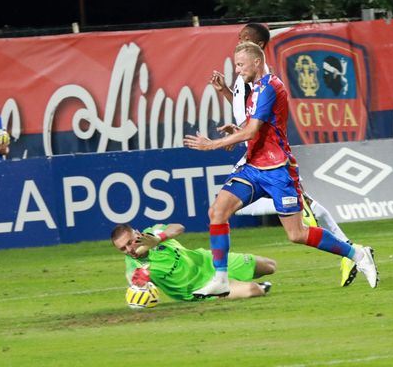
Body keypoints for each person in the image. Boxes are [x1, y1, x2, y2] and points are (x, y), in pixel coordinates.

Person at [184, 42, 378, 298]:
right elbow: (252, 125)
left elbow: (253, 131)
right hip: (253, 167)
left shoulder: (270, 87)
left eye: (241, 65)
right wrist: (231, 111)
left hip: (278, 170)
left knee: (296, 234)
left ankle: (356, 253)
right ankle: (221, 279)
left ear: (256, 62)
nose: (238, 70)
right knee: (217, 211)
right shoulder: (255, 89)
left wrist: (212, 145)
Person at [111, 222, 276, 301]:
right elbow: (135, 284)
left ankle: (235, 281)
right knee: (252, 290)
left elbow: (178, 227)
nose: (129, 250)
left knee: (270, 266)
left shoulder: (152, 233)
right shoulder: (134, 266)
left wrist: (158, 239)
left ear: (137, 234)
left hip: (207, 261)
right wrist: (140, 286)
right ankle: (240, 285)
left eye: (129, 242)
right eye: (123, 249)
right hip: (201, 287)